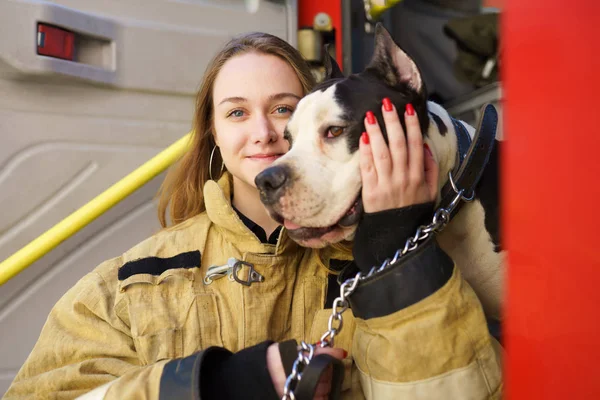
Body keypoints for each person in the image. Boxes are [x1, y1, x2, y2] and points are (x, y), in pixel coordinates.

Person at [3, 32, 502, 400]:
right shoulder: (130, 284)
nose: (264, 133)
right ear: (212, 134)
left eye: (284, 109)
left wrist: (396, 253)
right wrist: (212, 385)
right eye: (237, 113)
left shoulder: (430, 249)